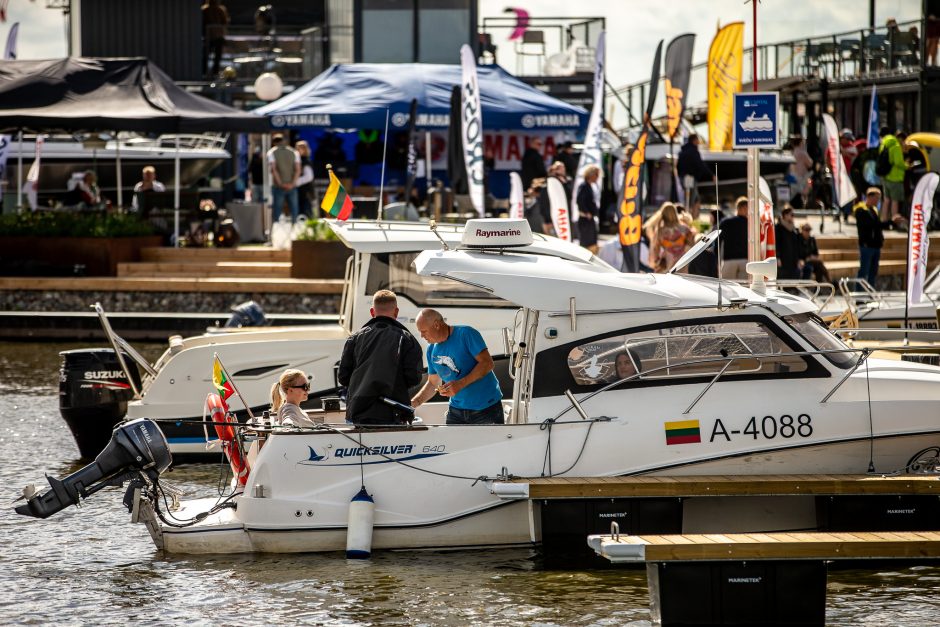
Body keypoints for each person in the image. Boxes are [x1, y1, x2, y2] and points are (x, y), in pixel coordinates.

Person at [338, 290, 422, 426]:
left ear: (372, 312)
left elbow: (343, 377)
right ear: (396, 312)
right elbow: (413, 378)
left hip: (357, 411)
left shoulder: (355, 338)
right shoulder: (407, 339)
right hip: (393, 412)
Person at [411, 309, 504, 425]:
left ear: (436, 325)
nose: (421, 336)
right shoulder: (431, 350)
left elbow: (487, 363)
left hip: (486, 408)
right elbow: (433, 383)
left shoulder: (466, 334)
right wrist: (414, 403)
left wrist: (460, 384)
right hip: (455, 411)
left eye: (423, 331)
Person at [644, 202, 693, 272]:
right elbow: (691, 246)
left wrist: (656, 261)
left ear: (663, 214)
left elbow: (654, 254)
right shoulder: (685, 229)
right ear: (675, 213)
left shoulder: (660, 231)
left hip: (668, 266)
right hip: (683, 265)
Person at [677, 134, 715, 216]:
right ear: (694, 140)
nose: (699, 142)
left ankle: (693, 217)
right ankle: (688, 216)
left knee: (695, 198)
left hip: (684, 177)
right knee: (691, 199)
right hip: (690, 178)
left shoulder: (682, 151)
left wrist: (680, 176)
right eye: (697, 140)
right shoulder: (693, 151)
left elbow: (678, 166)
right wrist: (711, 175)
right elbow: (700, 164)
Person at [853, 187, 885, 287]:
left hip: (876, 246)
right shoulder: (861, 210)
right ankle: (859, 298)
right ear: (869, 197)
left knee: (873, 273)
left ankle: (870, 296)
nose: (877, 201)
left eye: (879, 199)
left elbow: (878, 226)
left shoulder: (873, 210)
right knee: (863, 272)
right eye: (876, 198)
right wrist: (891, 222)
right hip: (867, 246)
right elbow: (872, 225)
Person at [267, 133, 301, 225]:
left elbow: (274, 170)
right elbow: (297, 170)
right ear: (284, 141)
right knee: (294, 210)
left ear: (274, 142)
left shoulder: (271, 152)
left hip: (278, 186)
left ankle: (275, 232)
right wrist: (292, 184)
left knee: (277, 210)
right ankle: (295, 230)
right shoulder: (294, 152)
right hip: (292, 186)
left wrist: (281, 183)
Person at [878, 126, 908, 227]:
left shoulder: (884, 143)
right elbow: (898, 162)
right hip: (895, 177)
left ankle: (884, 220)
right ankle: (894, 222)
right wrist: (908, 166)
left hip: (885, 177)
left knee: (886, 200)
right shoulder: (895, 145)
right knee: (895, 201)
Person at [718, 197, 750, 280]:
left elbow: (718, 241)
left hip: (729, 260)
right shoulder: (750, 224)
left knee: (728, 288)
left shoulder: (725, 222)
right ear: (744, 208)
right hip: (745, 261)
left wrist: (716, 261)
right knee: (744, 289)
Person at [575, 165, 601, 254]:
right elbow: (579, 200)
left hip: (589, 220)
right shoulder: (584, 186)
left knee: (592, 243)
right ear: (591, 175)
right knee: (586, 244)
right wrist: (586, 213)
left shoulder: (589, 186)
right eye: (597, 175)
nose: (598, 177)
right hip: (585, 220)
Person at [201, 0, 229, 79]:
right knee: (206, 56)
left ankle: (214, 73)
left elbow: (224, 23)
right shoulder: (205, 10)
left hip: (217, 38)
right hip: (208, 37)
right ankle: (204, 73)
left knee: (216, 57)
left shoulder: (220, 10)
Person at [774, 207, 801, 280]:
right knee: (783, 279)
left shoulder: (794, 229)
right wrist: (778, 257)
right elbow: (777, 243)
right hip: (783, 260)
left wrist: (798, 259)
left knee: (793, 279)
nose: (793, 217)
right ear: (785, 215)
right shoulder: (778, 228)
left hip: (793, 260)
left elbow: (796, 245)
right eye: (791, 215)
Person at [789, 136, 814, 207]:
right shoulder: (802, 153)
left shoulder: (792, 152)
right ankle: (803, 205)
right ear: (800, 142)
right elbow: (810, 163)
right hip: (802, 177)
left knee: (793, 194)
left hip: (793, 176)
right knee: (804, 191)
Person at [295, 140, 315, 218]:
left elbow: (309, 177)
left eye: (300, 148)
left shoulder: (305, 160)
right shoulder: (298, 160)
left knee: (306, 212)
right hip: (299, 191)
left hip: (306, 191)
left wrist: (296, 182)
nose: (298, 150)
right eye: (297, 148)